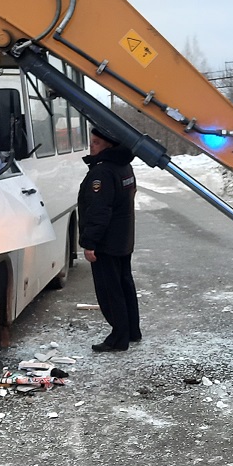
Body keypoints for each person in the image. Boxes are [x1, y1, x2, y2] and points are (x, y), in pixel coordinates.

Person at [77, 126, 141, 352]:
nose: (90, 146)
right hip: (123, 239)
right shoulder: (124, 166)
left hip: (107, 243)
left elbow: (98, 210)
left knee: (110, 291)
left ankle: (118, 338)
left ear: (109, 146)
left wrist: (90, 242)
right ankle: (132, 330)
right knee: (125, 285)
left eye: (95, 143)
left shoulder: (102, 173)